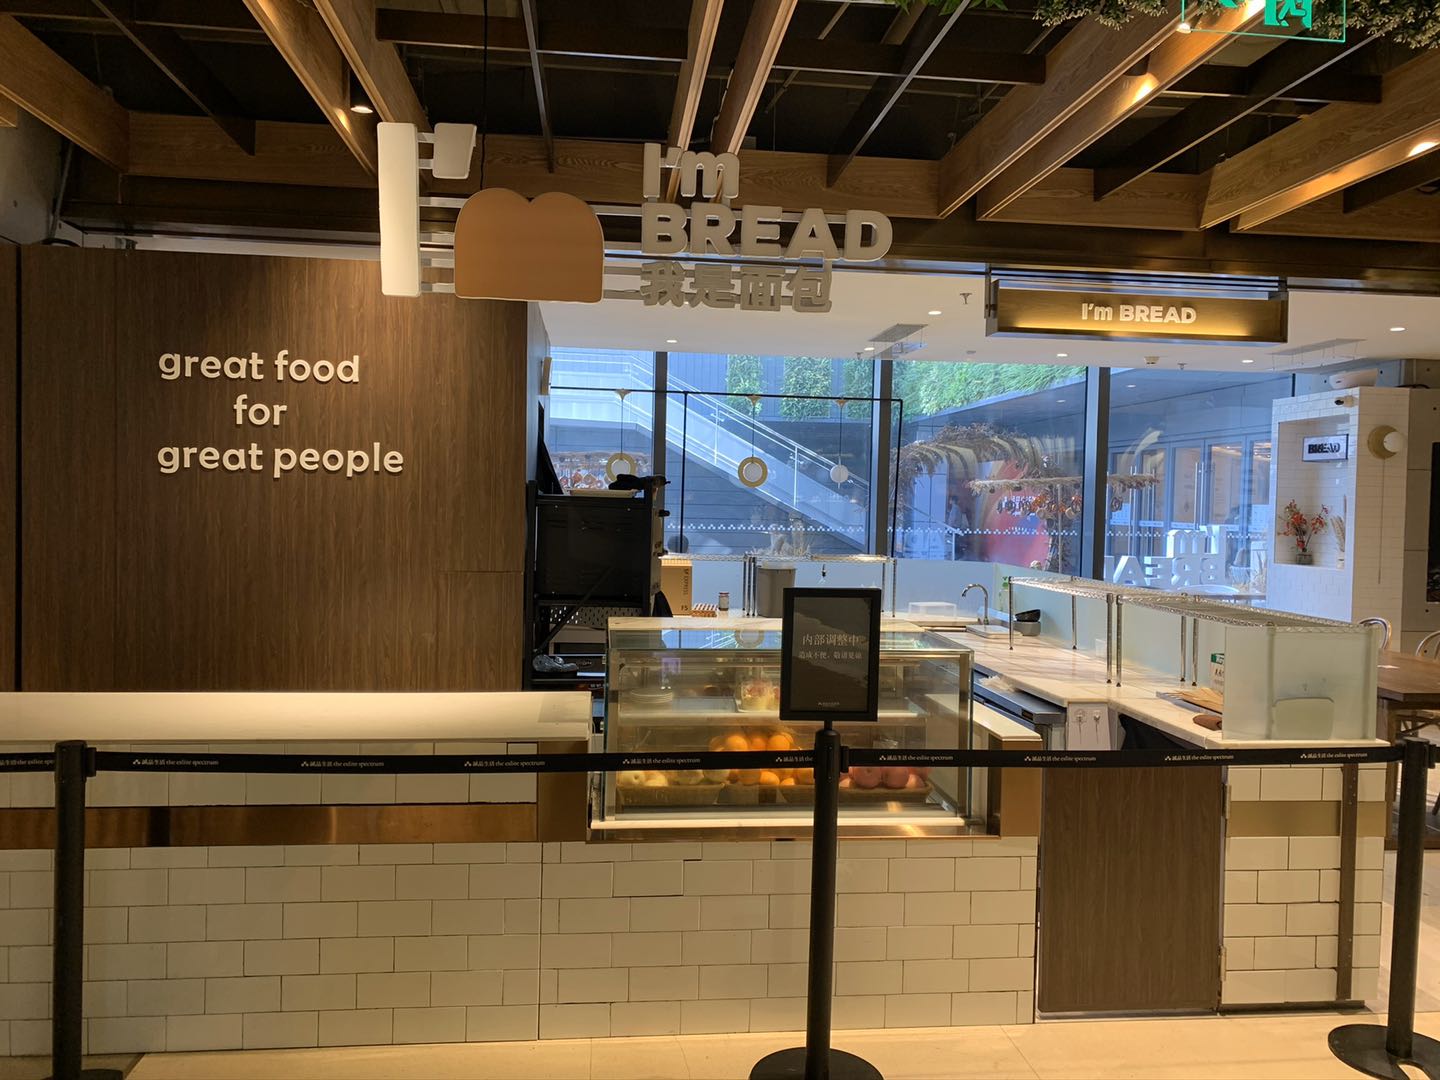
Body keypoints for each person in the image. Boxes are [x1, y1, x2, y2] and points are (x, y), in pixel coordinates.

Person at [945, 495, 971, 560]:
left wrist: (949, 527)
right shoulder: (957, 508)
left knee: (955, 542)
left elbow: (953, 518)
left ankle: (959, 554)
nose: (949, 501)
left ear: (953, 501)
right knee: (955, 541)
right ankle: (958, 554)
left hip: (954, 527)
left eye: (950, 500)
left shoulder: (955, 508)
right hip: (956, 527)